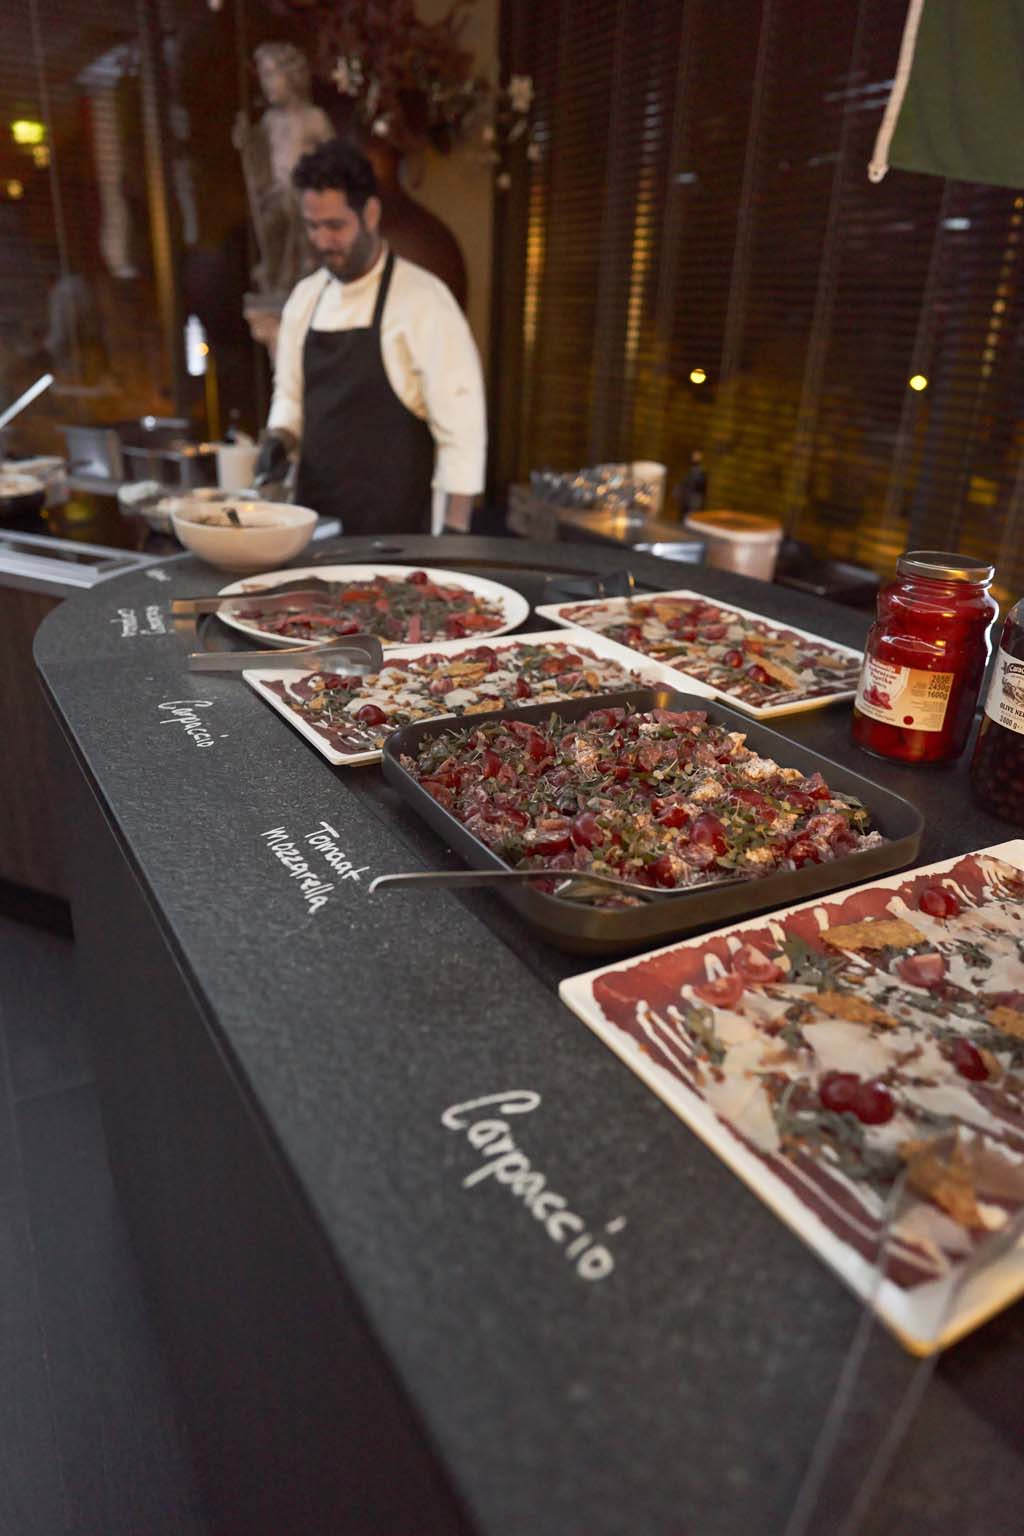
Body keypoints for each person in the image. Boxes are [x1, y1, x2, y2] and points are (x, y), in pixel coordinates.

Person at [255, 138, 486, 537]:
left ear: (371, 214)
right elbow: (291, 395)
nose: (322, 241)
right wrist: (279, 438)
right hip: (316, 524)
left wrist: (455, 531)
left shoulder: (424, 300)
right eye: (312, 226)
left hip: (398, 532)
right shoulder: (305, 300)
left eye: (335, 226)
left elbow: (462, 429)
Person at [232, 42, 333, 298]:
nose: (266, 84)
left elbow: (334, 158)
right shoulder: (270, 121)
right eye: (263, 77)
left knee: (293, 202)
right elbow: (259, 160)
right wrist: (246, 140)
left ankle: (298, 271)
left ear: (292, 76)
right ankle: (278, 273)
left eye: (271, 75)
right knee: (272, 215)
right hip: (277, 195)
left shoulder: (314, 118)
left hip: (309, 193)